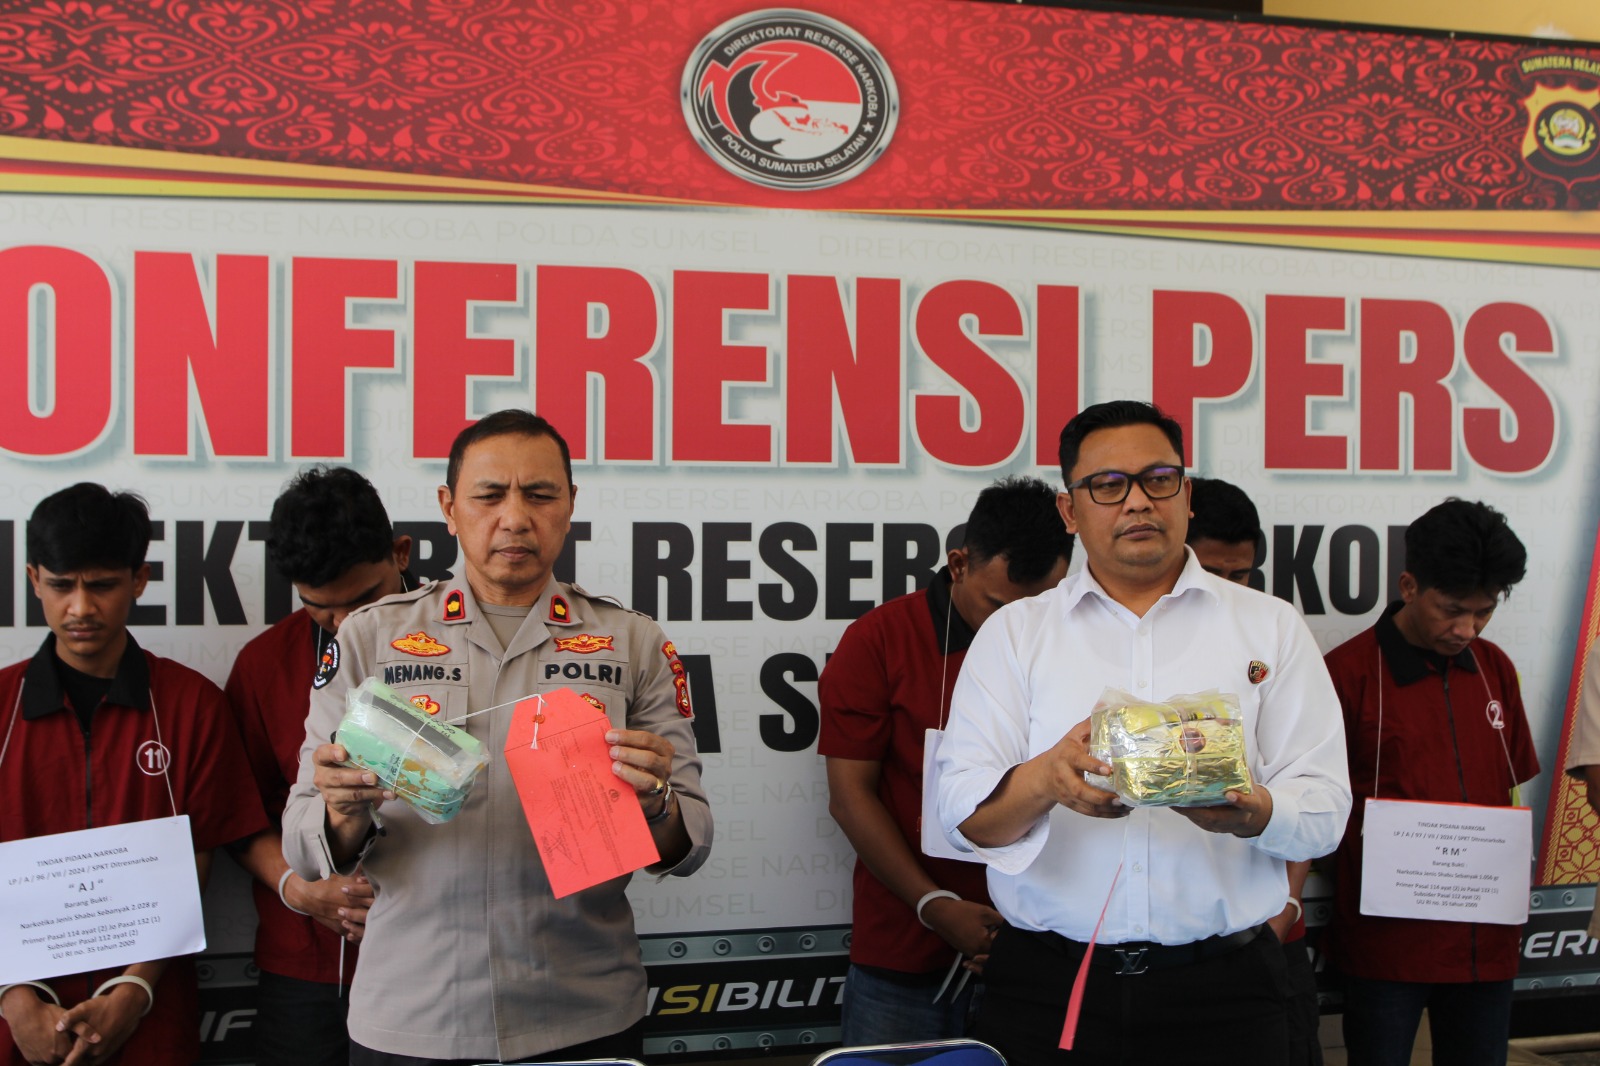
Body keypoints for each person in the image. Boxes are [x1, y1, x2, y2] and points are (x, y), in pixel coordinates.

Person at [281, 410, 712, 1065]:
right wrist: (342, 810)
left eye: (539, 495)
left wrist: (659, 804)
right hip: (413, 1014)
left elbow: (691, 842)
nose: (515, 518)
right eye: (489, 496)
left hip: (582, 1010)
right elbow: (303, 842)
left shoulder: (632, 641)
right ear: (448, 509)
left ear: (570, 505)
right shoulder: (371, 637)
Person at [935, 400, 1351, 1066]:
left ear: (1186, 494)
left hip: (1226, 993)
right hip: (1052, 987)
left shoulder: (1270, 627)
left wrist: (1255, 813)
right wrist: (1046, 782)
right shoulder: (1016, 634)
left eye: (1158, 479)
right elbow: (963, 820)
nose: (1137, 502)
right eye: (1107, 485)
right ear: (1070, 511)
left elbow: (1326, 812)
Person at [0, 484, 268, 1066]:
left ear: (139, 579)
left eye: (101, 585)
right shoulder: (1, 705)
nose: (81, 608)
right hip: (16, 1024)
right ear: (33, 580)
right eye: (61, 585)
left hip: (151, 1019)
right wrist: (14, 999)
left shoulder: (191, 705)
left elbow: (197, 856)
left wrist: (134, 991)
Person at [820, 476, 1073, 1044]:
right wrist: (934, 904)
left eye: (1037, 608)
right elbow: (850, 796)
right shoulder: (878, 640)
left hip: (1045, 947)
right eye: (1000, 607)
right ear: (959, 565)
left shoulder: (1076, 645)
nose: (1016, 627)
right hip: (908, 946)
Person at [1323, 498, 1538, 1066]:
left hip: (1485, 943)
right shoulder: (1346, 674)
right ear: (1409, 586)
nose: (1466, 629)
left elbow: (1510, 790)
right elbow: (1316, 808)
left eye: (1484, 612)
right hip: (1386, 948)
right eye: (1452, 610)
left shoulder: (1495, 669)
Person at [225, 467, 411, 1066]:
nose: (346, 626)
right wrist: (301, 888)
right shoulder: (262, 666)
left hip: (438, 962)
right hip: (305, 969)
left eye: (364, 600)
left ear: (401, 554)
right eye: (320, 608)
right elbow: (238, 815)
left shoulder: (468, 647)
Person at [1187, 476, 1321, 1066]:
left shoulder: (1275, 633)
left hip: (1263, 933)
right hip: (1158, 949)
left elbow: (1311, 786)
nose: (1227, 587)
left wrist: (1286, 909)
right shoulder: (1123, 644)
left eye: (1240, 574)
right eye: (1213, 571)